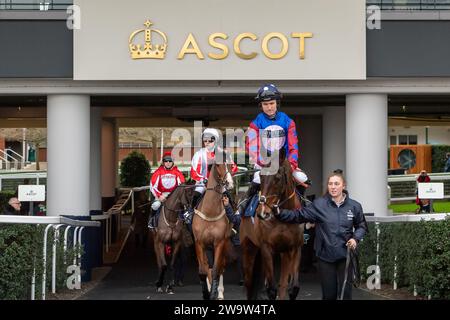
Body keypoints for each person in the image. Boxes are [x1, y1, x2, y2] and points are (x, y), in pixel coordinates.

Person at [273, 172, 368, 300]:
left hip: (346, 255)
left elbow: (362, 226)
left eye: (336, 184)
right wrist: (280, 213)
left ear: (343, 186)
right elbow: (299, 215)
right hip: (325, 256)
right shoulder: (319, 204)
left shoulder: (354, 206)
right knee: (329, 295)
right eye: (330, 184)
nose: (333, 187)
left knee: (345, 294)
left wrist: (355, 238)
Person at [238, 84, 309, 215]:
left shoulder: (288, 122)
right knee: (256, 179)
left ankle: (305, 212)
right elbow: (252, 148)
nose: (269, 107)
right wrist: (266, 164)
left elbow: (293, 146)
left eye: (272, 103)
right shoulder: (255, 124)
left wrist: (291, 165)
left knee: (302, 178)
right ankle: (242, 212)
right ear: (261, 106)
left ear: (277, 103)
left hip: (284, 164)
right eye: (266, 104)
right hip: (264, 164)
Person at [188, 128, 238, 216]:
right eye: (205, 140)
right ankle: (190, 213)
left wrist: (227, 176)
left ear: (215, 141)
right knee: (196, 195)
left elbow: (233, 167)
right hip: (203, 183)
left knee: (229, 195)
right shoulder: (198, 154)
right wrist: (203, 179)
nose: (207, 143)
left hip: (220, 183)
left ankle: (235, 215)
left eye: (210, 140)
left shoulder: (223, 153)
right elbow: (193, 172)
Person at [148, 152, 185, 230]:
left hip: (174, 195)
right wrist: (159, 196)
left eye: (170, 161)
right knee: (156, 205)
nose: (168, 163)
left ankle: (184, 221)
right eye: (166, 161)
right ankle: (152, 220)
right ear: (163, 162)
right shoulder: (158, 172)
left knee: (183, 204)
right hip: (162, 194)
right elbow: (153, 186)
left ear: (173, 162)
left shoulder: (177, 172)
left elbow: (182, 185)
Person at [222, 194, 244, 285]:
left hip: (244, 239)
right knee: (240, 259)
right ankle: (242, 278)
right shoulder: (236, 213)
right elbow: (234, 220)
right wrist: (227, 206)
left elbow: (235, 220)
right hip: (238, 240)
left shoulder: (244, 211)